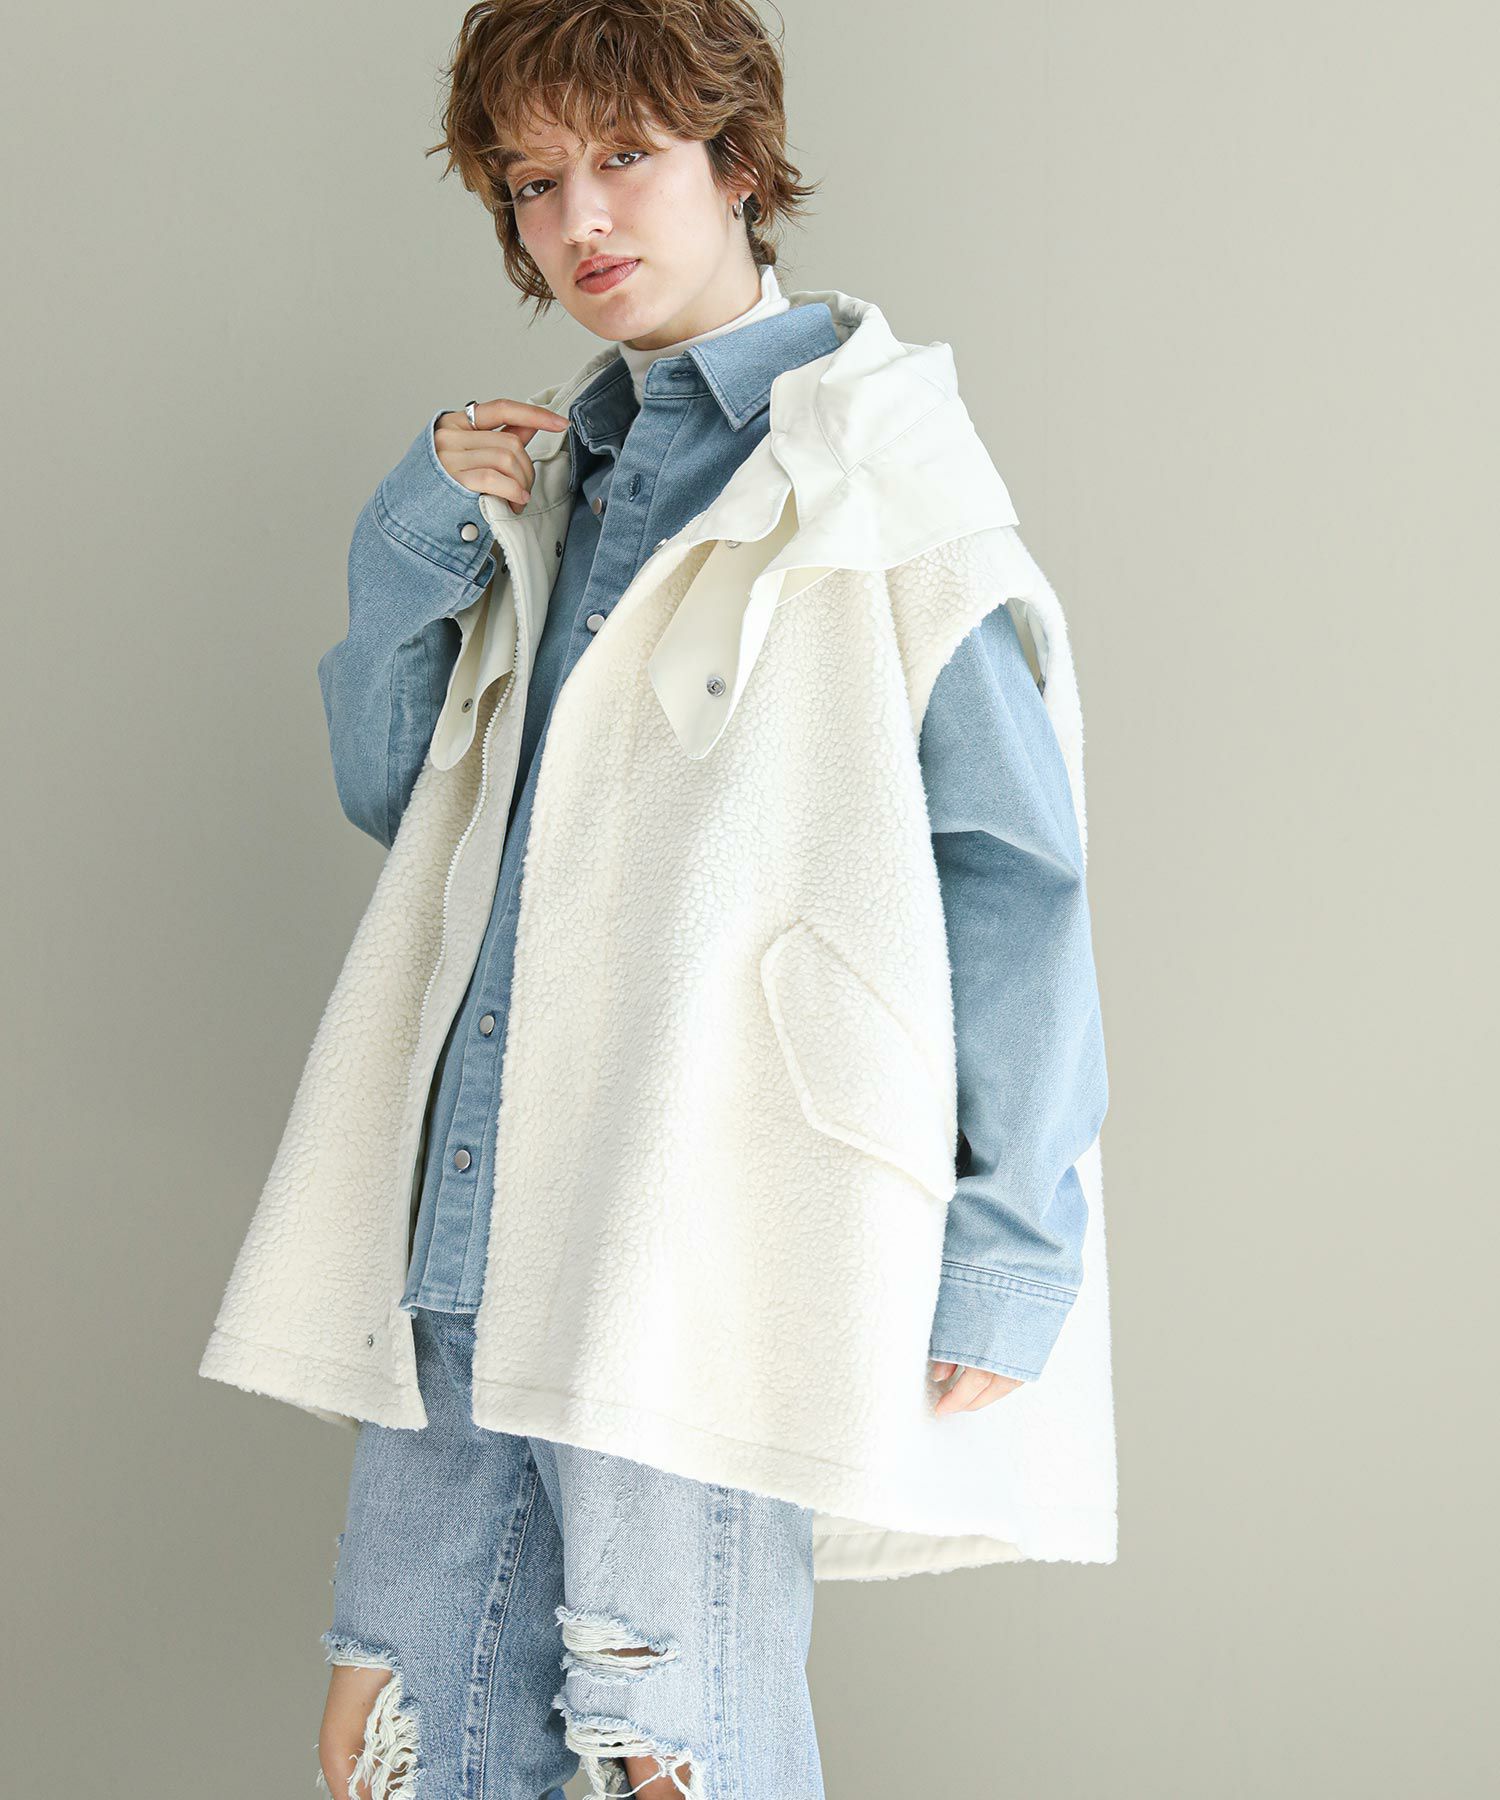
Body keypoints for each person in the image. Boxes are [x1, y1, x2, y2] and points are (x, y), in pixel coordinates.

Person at [198, 3, 1116, 1795]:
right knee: (398, 1746)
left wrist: (1009, 1242)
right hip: (471, 1225)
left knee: (671, 1755)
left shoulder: (878, 479)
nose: (580, 220)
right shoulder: (553, 474)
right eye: (534, 182)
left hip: (700, 1225)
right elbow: (406, 804)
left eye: (625, 157)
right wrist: (408, 545)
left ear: (738, 161)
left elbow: (1014, 877)